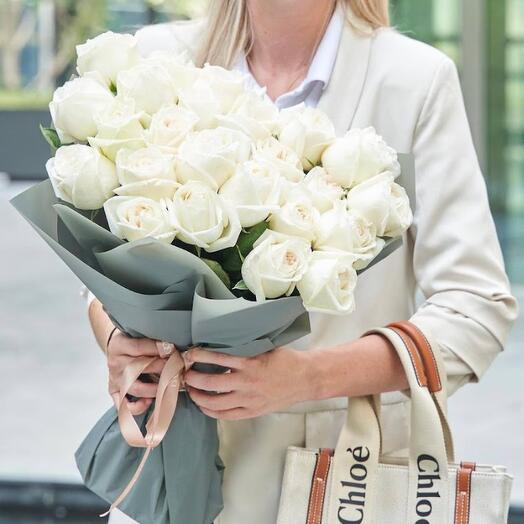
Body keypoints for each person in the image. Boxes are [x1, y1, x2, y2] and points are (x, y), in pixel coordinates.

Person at [86, 1, 518, 522]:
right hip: (167, 472)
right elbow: (104, 268)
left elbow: (476, 309)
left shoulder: (414, 81)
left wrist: (309, 377)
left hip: (338, 482)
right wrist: (117, 339)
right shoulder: (156, 61)